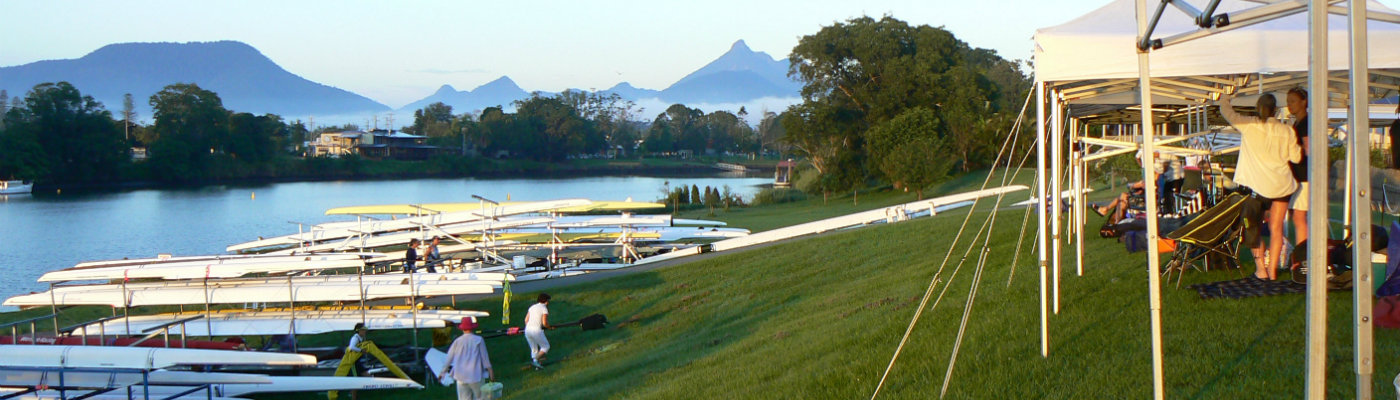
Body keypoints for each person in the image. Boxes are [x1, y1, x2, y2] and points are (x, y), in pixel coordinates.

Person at [1217, 90, 1302, 281]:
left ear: (1258, 109)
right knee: (1276, 228)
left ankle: (1260, 269)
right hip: (1281, 186)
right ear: (1275, 110)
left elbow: (1227, 112)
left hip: (1257, 187)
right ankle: (1272, 270)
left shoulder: (1249, 125)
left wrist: (1225, 98)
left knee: (1252, 229)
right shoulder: (1286, 130)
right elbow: (1296, 157)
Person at [440, 318, 493, 400]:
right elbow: (485, 358)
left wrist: (442, 372)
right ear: (472, 327)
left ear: (462, 329)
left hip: (460, 376)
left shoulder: (457, 341)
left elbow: (449, 358)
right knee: (480, 397)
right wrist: (490, 371)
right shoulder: (478, 340)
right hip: (476, 375)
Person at [1285, 88, 1311, 247]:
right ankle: (1302, 251)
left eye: (1293, 101)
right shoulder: (1298, 123)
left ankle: (1303, 254)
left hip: (1304, 176)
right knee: (1297, 216)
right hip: (1298, 176)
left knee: (1299, 216)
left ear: (1304, 102)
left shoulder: (1306, 123)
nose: (1289, 105)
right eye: (1288, 102)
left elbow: (1308, 151)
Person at [523, 293, 551, 370]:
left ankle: (537, 367)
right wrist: (550, 327)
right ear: (546, 301)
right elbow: (544, 323)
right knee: (546, 347)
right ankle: (536, 360)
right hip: (536, 330)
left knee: (534, 349)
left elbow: (526, 320)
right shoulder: (544, 308)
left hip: (527, 330)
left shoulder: (532, 307)